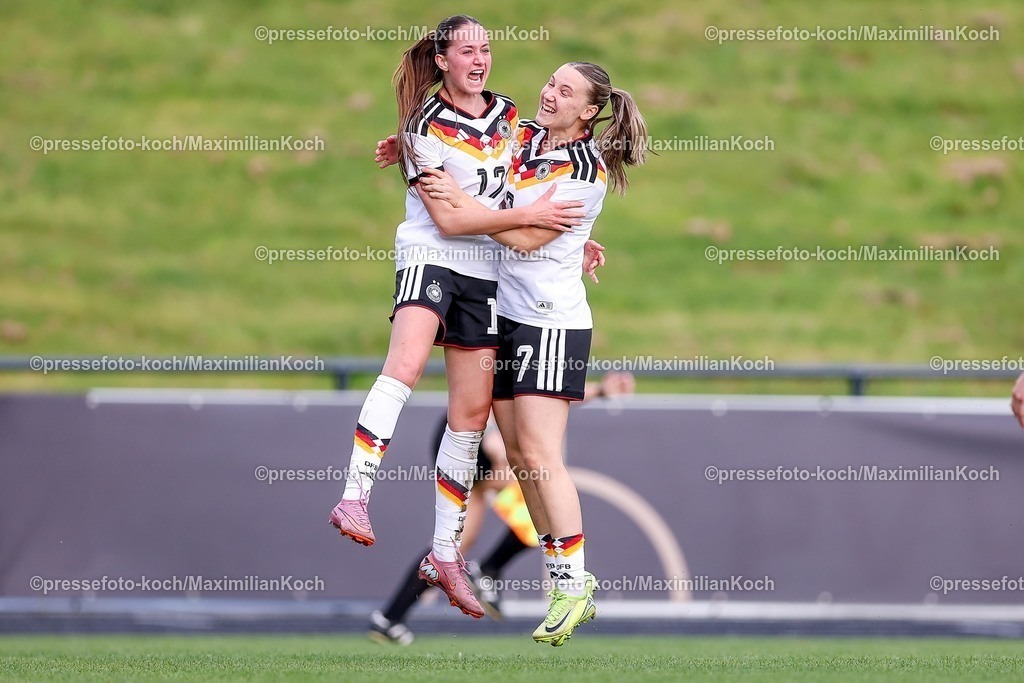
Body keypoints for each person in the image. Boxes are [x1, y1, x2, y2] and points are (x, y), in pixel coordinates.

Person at [328, 15, 585, 619]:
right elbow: (449, 221)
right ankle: (354, 495)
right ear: (442, 60)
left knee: (469, 417)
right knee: (407, 363)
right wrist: (535, 218)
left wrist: (569, 238)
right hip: (433, 256)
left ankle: (445, 554)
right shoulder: (425, 126)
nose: (480, 59)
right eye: (467, 50)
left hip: (487, 271)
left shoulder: (509, 118)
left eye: (486, 48)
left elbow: (520, 182)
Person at [416, 62, 648, 645]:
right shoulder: (524, 138)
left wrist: (465, 207)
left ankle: (573, 584)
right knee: (520, 457)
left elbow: (523, 236)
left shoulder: (583, 170)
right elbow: (489, 174)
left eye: (565, 91)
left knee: (541, 452)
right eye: (550, 82)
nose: (549, 93)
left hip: (550, 323)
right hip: (506, 315)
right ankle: (562, 572)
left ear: (588, 112)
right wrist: (413, 149)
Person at [369, 372, 635, 645]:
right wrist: (495, 438)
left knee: (452, 545)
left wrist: (601, 391)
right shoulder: (526, 345)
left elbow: (544, 398)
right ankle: (488, 570)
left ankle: (389, 618)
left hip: (462, 433)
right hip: (479, 434)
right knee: (544, 511)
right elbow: (531, 399)